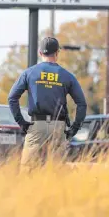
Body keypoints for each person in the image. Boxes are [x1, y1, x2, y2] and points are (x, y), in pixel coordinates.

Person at [8, 37, 87, 170]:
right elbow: (82, 104)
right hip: (58, 126)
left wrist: (21, 122)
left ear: (40, 53)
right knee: (56, 171)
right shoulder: (67, 76)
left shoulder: (29, 73)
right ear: (57, 53)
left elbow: (12, 98)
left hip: (37, 125)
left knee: (28, 170)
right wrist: (74, 128)